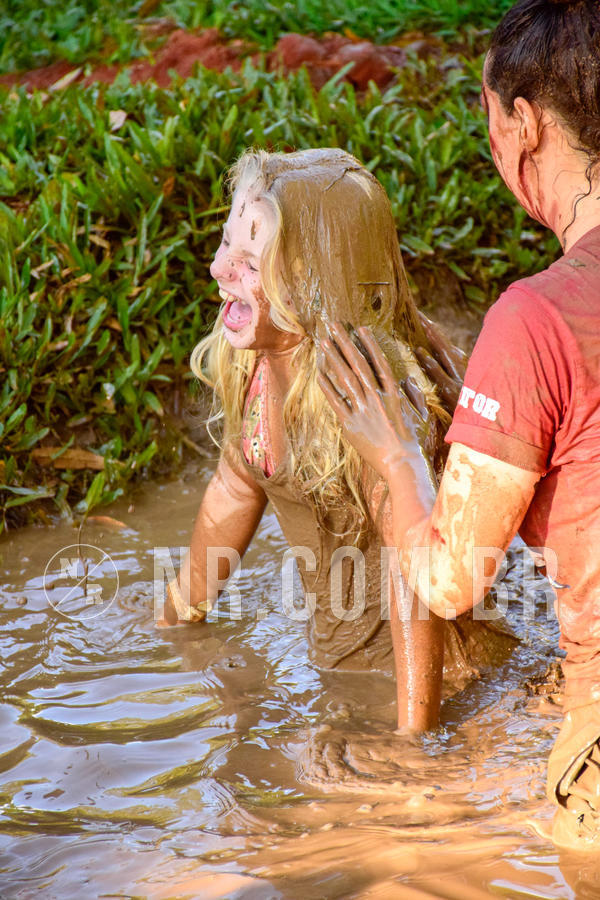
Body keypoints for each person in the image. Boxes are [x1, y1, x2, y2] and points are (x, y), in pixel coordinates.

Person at [317, 0, 600, 848]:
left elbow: (446, 581)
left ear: (524, 121)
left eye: (488, 118)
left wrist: (396, 451)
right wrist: (495, 425)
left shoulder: (537, 318)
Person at [158, 147, 517, 732]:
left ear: (312, 283)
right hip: (344, 667)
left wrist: (415, 738)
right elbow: (232, 490)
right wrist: (175, 620)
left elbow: (415, 576)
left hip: (449, 682)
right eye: (227, 244)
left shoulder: (366, 402)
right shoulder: (256, 370)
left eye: (250, 262)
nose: (220, 269)